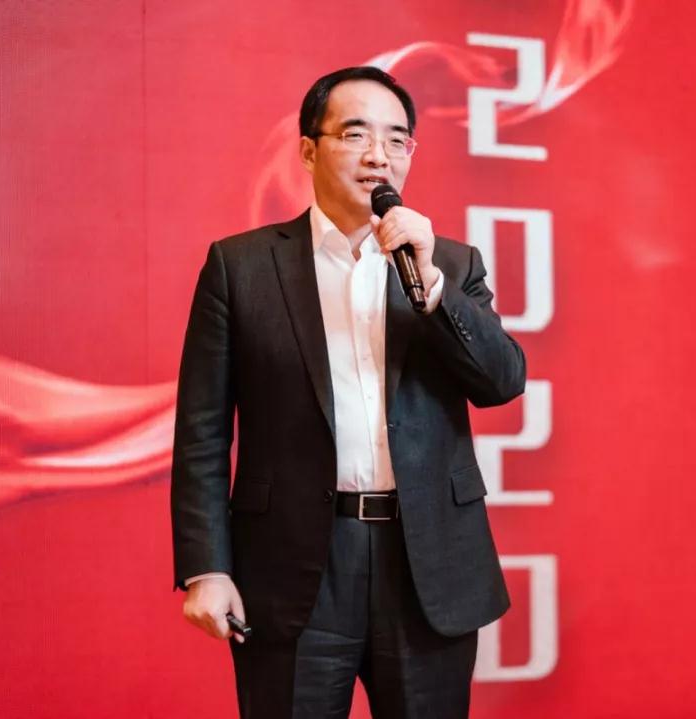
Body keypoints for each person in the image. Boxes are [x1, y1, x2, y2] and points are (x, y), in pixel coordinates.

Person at [171, 66, 526, 719]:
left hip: (426, 565)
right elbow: (202, 431)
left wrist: (435, 289)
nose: (378, 155)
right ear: (309, 150)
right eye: (356, 134)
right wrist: (206, 567)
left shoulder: (450, 263)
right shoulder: (241, 266)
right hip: (294, 566)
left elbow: (502, 381)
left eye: (396, 139)